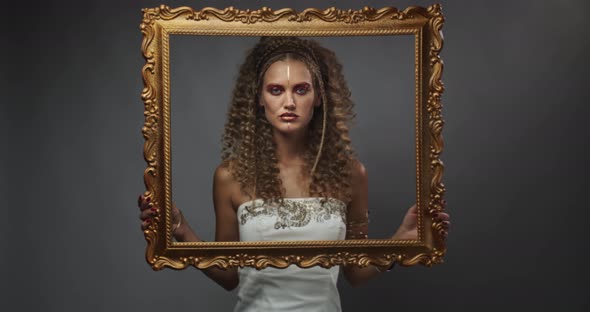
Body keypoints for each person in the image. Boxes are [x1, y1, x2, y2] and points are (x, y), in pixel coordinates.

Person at [138, 36, 450, 311]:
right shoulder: (230, 177)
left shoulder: (351, 175)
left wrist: (401, 241)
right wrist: (180, 228)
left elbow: (355, 273)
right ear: (260, 99)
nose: (289, 102)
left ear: (318, 98)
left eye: (301, 89)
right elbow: (229, 276)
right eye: (276, 90)